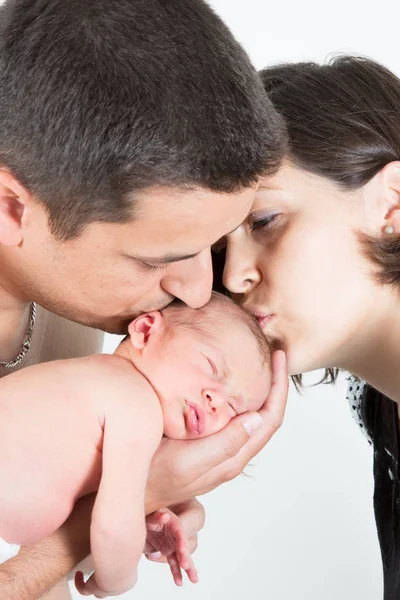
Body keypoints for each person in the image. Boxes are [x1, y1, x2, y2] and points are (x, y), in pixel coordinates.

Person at [0, 0, 289, 598]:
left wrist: (151, 497)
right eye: (159, 259)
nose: (198, 289)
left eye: (208, 247)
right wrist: (100, 526)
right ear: (10, 209)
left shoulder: (79, 309)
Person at [219, 55, 400, 600]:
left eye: (264, 222)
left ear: (391, 205)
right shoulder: (384, 417)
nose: (232, 275)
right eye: (218, 249)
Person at [0, 293, 272, 598]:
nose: (216, 399)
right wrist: (117, 580)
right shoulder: (135, 402)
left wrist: (149, 515)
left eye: (234, 408)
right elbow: (113, 527)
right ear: (145, 331)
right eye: (211, 366)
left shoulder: (97, 381)